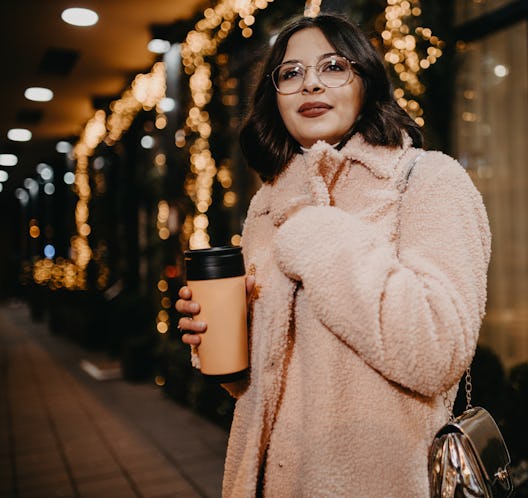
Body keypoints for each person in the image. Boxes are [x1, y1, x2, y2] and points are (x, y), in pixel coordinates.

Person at [176, 13, 491, 497]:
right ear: (274, 97)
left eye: (332, 66)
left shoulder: (428, 181)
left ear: (365, 81)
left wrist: (316, 231)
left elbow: (436, 352)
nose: (311, 84)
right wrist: (224, 341)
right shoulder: (268, 203)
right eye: (291, 73)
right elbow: (261, 386)